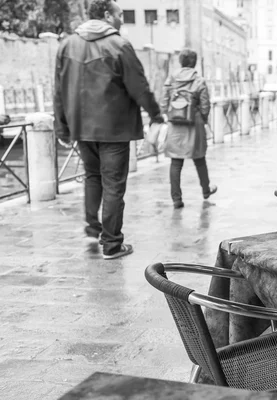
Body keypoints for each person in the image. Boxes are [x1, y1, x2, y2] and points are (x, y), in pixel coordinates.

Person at [54, 0, 164, 260]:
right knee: (114, 185)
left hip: (82, 128)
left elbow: (58, 90)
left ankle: (93, 230)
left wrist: (62, 128)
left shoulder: (67, 45)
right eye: (119, 15)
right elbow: (139, 86)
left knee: (93, 177)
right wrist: (156, 114)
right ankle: (112, 244)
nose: (121, 20)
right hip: (114, 128)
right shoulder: (119, 45)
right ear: (106, 15)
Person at [161, 49, 216, 209]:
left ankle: (176, 199)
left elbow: (164, 102)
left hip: (175, 124)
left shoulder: (171, 78)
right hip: (194, 124)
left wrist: (169, 114)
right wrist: (203, 120)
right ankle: (206, 190)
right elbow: (205, 105)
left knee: (176, 162)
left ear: (180, 62)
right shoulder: (199, 80)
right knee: (199, 159)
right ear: (194, 62)